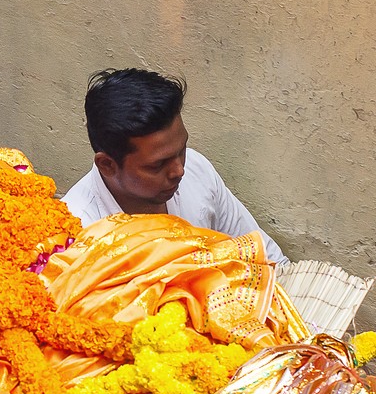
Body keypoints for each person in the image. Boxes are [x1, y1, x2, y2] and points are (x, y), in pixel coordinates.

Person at [61, 68, 286, 262]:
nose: (179, 170)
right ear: (107, 164)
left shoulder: (196, 170)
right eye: (157, 165)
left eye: (181, 150)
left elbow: (265, 256)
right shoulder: (74, 237)